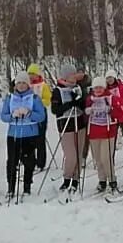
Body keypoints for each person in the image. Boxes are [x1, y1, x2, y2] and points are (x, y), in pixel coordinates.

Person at [0, 74, 47, 198]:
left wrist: (29, 113)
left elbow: (41, 116)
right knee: (12, 162)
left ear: (28, 84)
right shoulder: (10, 98)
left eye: (23, 83)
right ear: (15, 85)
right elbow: (3, 116)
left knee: (29, 161)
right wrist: (12, 115)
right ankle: (11, 188)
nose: (21, 85)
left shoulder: (34, 98)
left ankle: (27, 187)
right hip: (13, 134)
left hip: (30, 134)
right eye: (18, 83)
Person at [51, 65, 89, 194]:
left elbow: (84, 105)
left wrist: (80, 102)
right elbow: (55, 110)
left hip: (79, 123)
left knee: (79, 154)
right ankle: (67, 178)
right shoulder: (58, 90)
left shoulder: (78, 88)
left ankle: (75, 179)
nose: (75, 77)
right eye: (72, 75)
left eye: (75, 75)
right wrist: (69, 104)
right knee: (71, 155)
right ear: (66, 76)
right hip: (66, 125)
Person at [86, 77, 120, 193]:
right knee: (98, 159)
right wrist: (87, 112)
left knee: (106, 158)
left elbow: (118, 113)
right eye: (96, 87)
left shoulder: (110, 97)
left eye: (100, 87)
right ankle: (102, 180)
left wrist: (110, 109)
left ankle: (112, 180)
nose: (98, 90)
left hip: (107, 132)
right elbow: (85, 116)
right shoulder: (90, 99)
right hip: (94, 132)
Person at [106, 72, 123, 150]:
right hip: (113, 117)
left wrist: (114, 100)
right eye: (107, 78)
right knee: (112, 139)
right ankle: (111, 159)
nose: (109, 80)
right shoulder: (106, 89)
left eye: (111, 77)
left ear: (114, 78)